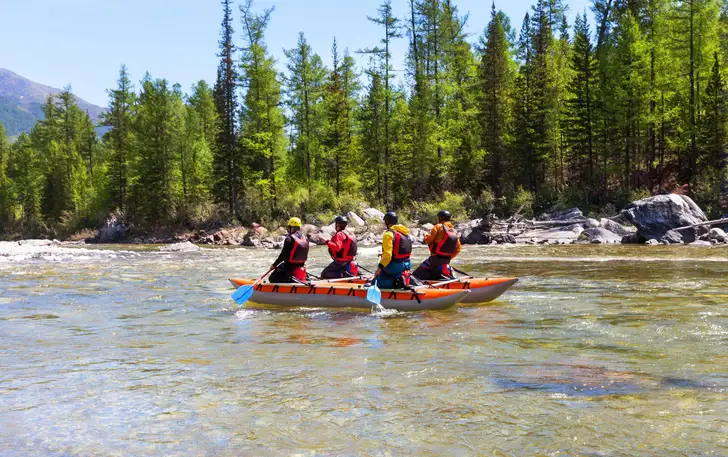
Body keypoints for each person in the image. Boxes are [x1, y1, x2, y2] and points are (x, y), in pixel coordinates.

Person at [413, 210, 461, 281]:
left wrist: (425, 236)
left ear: (441, 218)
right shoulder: (453, 231)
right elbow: (458, 249)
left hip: (435, 259)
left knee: (416, 275)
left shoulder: (438, 226)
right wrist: (448, 258)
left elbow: (429, 240)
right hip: (446, 260)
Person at [373, 212, 412, 289]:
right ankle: (400, 280)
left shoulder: (388, 234)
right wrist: (382, 254)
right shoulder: (405, 233)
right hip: (407, 265)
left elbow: (388, 256)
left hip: (394, 267)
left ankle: (394, 283)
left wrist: (379, 269)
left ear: (387, 222)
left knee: (376, 281)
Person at [269, 217, 309, 283]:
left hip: (289, 268)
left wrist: (274, 265)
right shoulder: (305, 238)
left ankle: (290, 281)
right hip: (301, 267)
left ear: (290, 227)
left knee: (272, 278)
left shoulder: (289, 238)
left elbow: (283, 255)